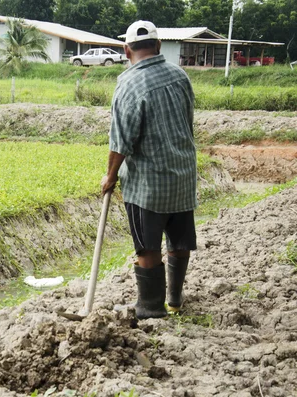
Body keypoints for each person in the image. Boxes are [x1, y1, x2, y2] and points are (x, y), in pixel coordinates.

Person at [101, 20, 197, 319]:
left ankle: (150, 307)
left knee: (147, 246)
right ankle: (175, 299)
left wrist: (111, 175)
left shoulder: (128, 84)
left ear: (126, 50)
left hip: (149, 183)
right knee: (179, 240)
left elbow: (121, 141)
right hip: (182, 174)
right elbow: (188, 120)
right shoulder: (179, 75)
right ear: (157, 46)